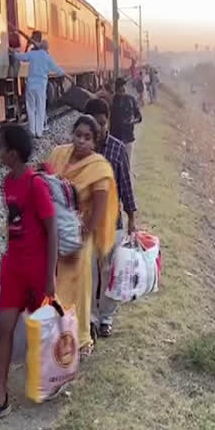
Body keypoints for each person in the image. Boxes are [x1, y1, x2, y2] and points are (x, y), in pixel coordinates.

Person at [0, 124, 58, 425]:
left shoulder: (35, 185)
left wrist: (50, 275)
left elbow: (52, 231)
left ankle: (49, 381)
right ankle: (1, 396)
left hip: (37, 269)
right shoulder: (6, 183)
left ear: (13, 154)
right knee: (4, 327)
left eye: (1, 147)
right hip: (13, 267)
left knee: (45, 332)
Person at [47, 116, 119, 360]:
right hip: (54, 232)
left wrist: (78, 240)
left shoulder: (99, 168)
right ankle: (54, 335)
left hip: (79, 235)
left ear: (95, 141)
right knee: (52, 283)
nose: (81, 141)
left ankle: (81, 339)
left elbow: (98, 211)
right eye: (78, 135)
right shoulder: (59, 154)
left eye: (87, 137)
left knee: (78, 287)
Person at [85, 98, 137, 337]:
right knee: (89, 273)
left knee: (108, 272)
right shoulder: (81, 147)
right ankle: (91, 318)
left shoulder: (116, 149)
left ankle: (106, 317)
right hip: (85, 223)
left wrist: (132, 217)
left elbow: (125, 184)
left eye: (103, 123)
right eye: (95, 124)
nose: (99, 129)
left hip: (111, 222)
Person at [11, 39, 74, 139]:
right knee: (40, 109)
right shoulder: (48, 58)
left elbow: (21, 57)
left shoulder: (32, 54)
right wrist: (68, 76)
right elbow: (58, 70)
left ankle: (32, 130)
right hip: (41, 87)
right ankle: (39, 132)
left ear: (39, 46)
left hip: (31, 85)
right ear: (47, 48)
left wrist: (13, 52)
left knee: (31, 108)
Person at [110, 78, 142, 166]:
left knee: (127, 164)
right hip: (115, 138)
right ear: (116, 90)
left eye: (124, 89)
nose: (122, 92)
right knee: (115, 164)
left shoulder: (131, 100)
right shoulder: (111, 100)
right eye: (120, 90)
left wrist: (132, 121)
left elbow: (139, 117)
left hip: (128, 137)